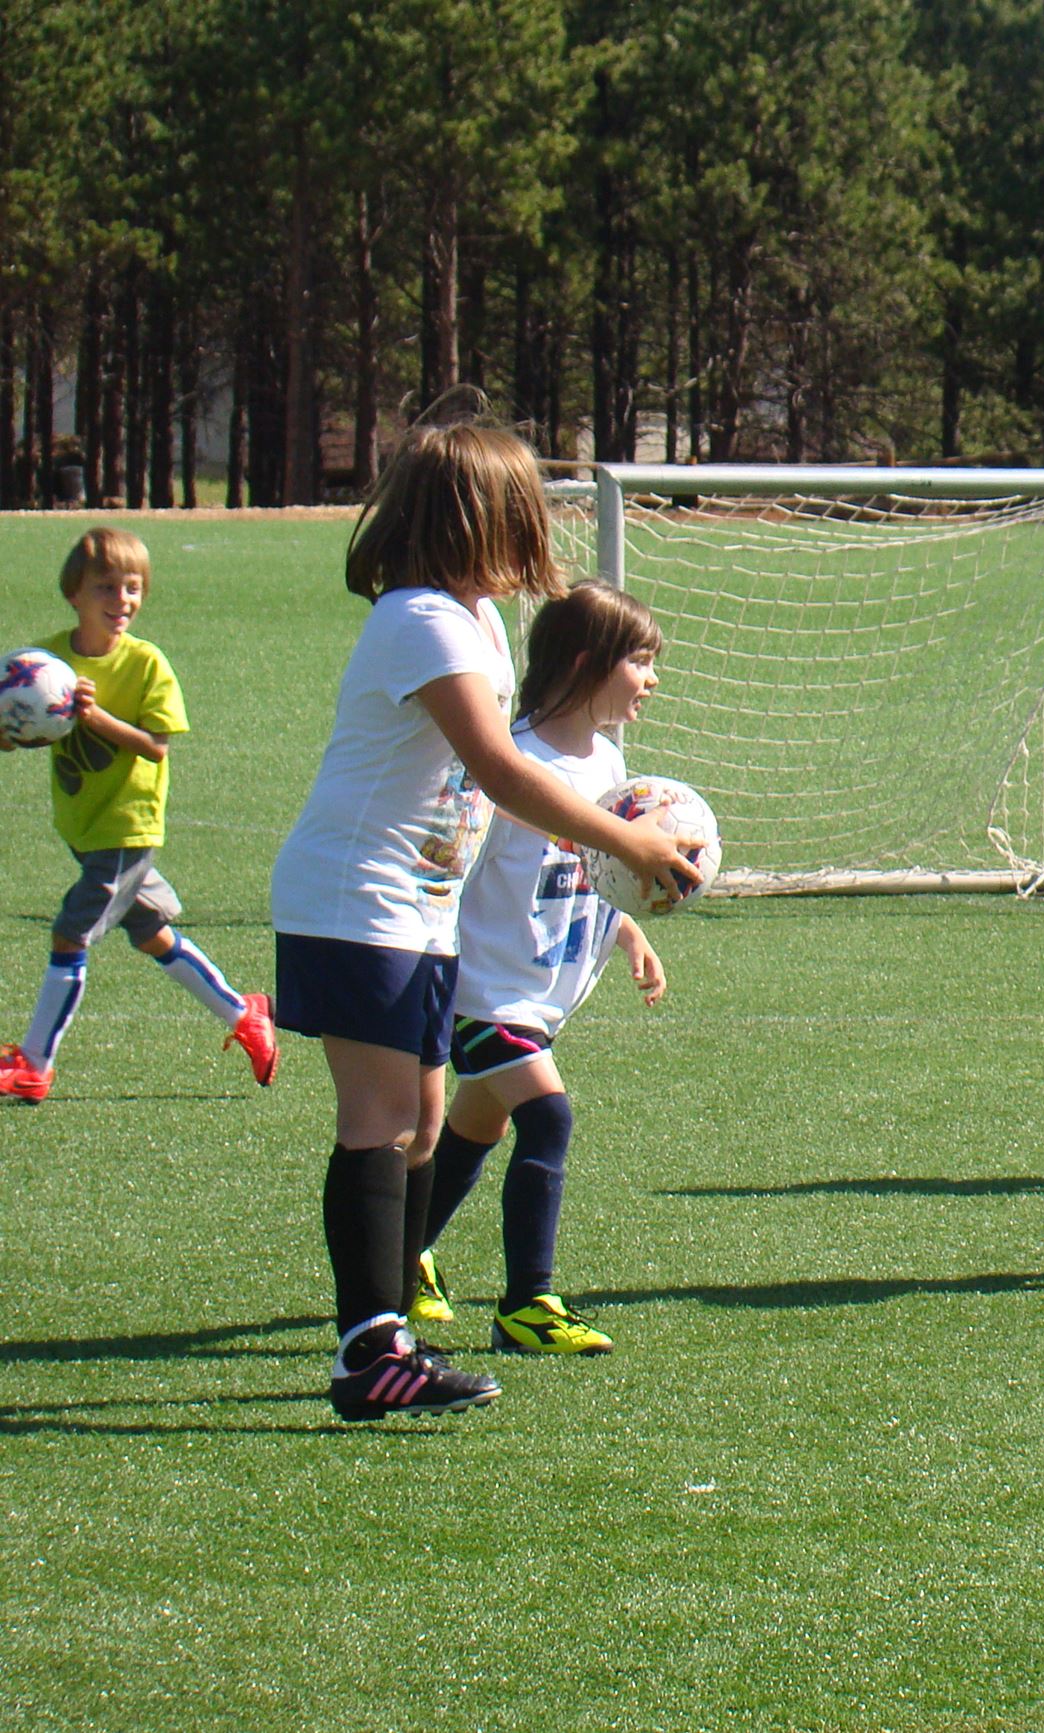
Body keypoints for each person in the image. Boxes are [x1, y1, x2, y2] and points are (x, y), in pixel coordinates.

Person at [269, 424, 702, 1422]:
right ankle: (369, 1353)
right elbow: (501, 769)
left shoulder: (476, 620)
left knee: (427, 1122)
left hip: (418, 908)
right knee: (381, 1121)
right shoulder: (420, 618)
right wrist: (626, 843)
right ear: (478, 518)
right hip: (357, 895)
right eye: (522, 510)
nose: (535, 529)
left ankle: (391, 1333)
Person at [408, 584, 670, 1358]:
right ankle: (527, 1303)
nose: (652, 679)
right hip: (484, 993)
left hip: (539, 996)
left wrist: (626, 930)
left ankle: (401, 1254)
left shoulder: (609, 763)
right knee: (548, 1116)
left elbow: (594, 867)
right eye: (640, 661)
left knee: (475, 1126)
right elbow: (451, 871)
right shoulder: (510, 762)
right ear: (587, 664)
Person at [0, 528, 277, 1104]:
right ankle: (243, 1012)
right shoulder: (46, 662)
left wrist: (93, 717)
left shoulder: (147, 663)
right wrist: (13, 727)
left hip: (126, 828)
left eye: (133, 588)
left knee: (69, 934)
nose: (122, 599)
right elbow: (18, 729)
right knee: (152, 934)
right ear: (73, 593)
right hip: (83, 824)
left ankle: (34, 1064)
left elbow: (156, 746)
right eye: (106, 587)